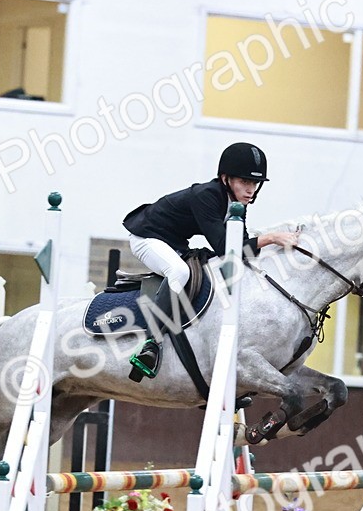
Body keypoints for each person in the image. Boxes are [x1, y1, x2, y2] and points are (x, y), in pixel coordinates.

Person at [122, 142, 299, 379]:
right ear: (225, 178)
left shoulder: (236, 204)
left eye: (255, 183)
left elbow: (242, 250)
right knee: (180, 272)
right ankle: (151, 344)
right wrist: (271, 238)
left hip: (174, 242)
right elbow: (227, 248)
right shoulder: (207, 196)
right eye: (244, 182)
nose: (251, 190)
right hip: (147, 237)